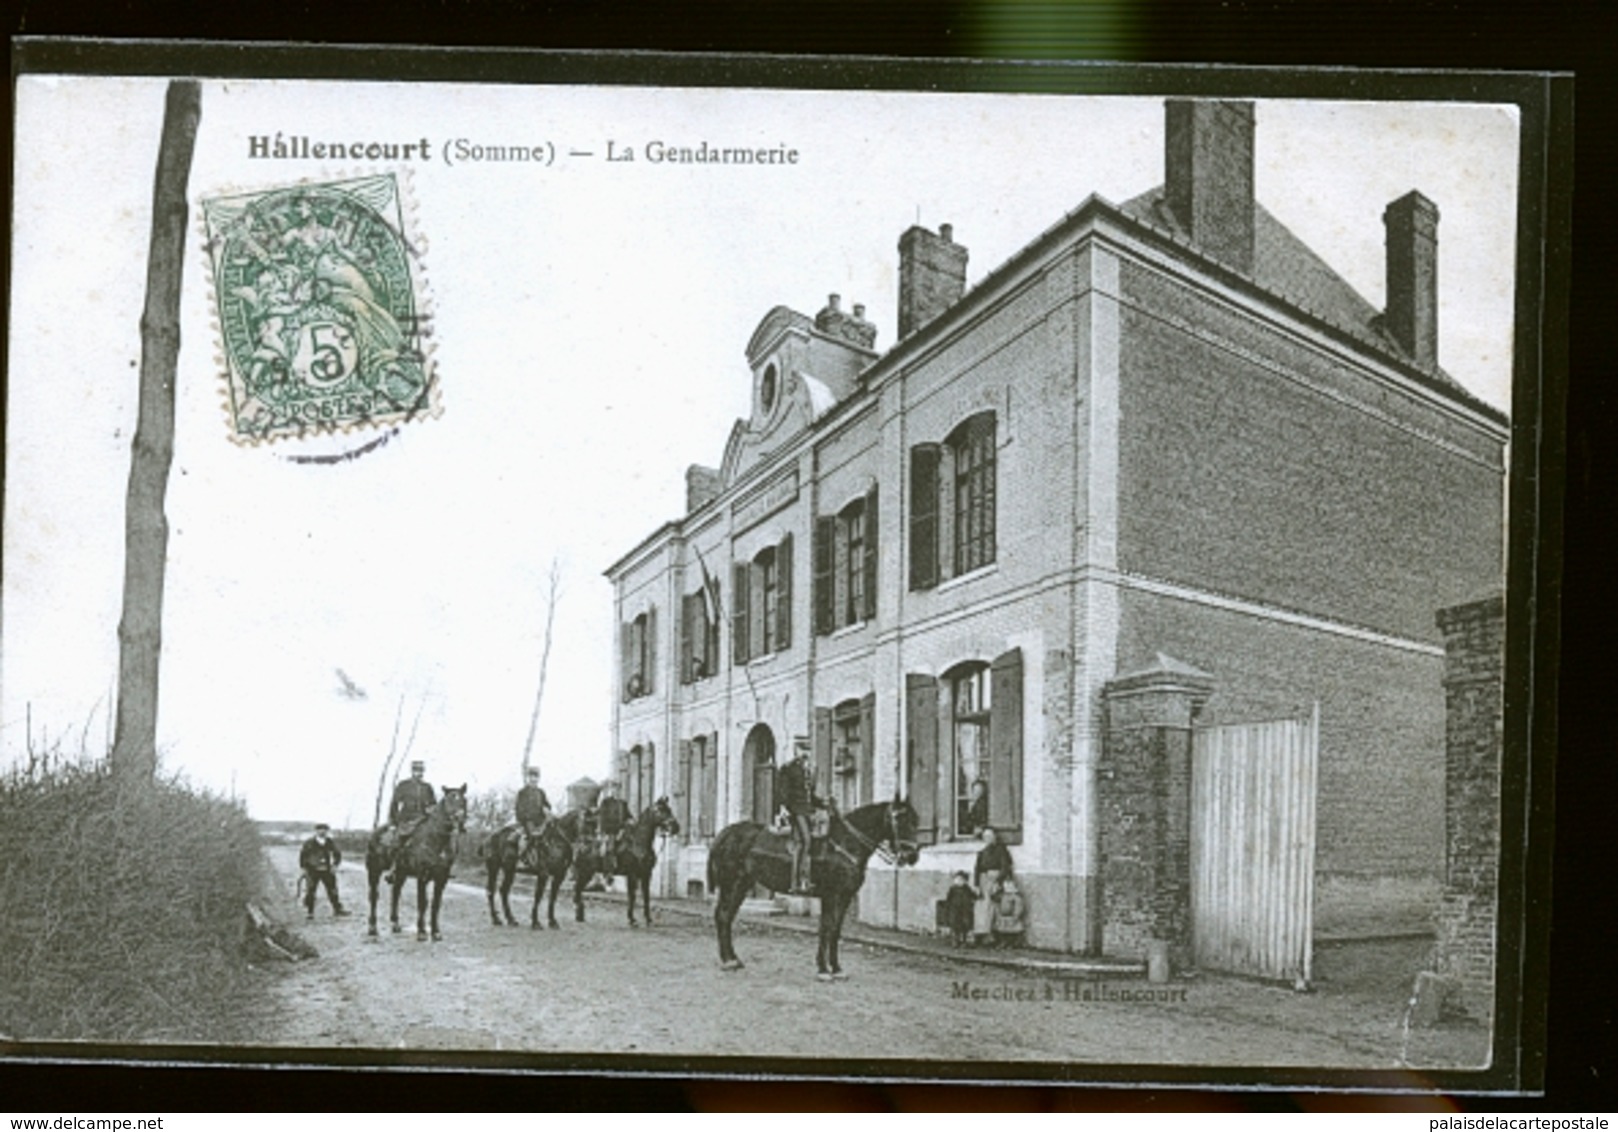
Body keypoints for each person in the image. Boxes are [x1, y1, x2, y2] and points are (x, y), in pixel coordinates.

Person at [776, 745, 817, 894]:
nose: (805, 753)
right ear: (796, 751)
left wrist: (822, 802)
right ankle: (797, 881)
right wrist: (784, 808)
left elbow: (810, 796)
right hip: (796, 810)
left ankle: (807, 879)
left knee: (810, 842)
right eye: (802, 749)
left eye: (808, 749)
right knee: (805, 841)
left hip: (807, 811)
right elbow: (783, 791)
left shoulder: (809, 770)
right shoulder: (789, 769)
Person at [974, 826, 1014, 945]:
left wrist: (998, 881)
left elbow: (1005, 867)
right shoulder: (982, 852)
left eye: (990, 836)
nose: (988, 838)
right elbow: (977, 869)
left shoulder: (1001, 851)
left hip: (996, 880)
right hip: (984, 881)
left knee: (995, 908)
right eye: (985, 836)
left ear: (995, 837)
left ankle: (996, 936)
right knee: (982, 908)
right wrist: (976, 885)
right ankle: (983, 934)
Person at [299, 823, 349, 919]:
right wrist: (304, 868)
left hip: (327, 870)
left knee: (332, 890)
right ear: (316, 831)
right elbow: (303, 856)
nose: (322, 831)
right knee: (311, 891)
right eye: (320, 829)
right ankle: (310, 912)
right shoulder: (309, 843)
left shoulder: (330, 842)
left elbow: (337, 854)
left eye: (324, 830)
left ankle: (337, 909)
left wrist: (335, 865)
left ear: (327, 831)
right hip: (312, 870)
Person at [514, 766, 551, 864]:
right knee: (532, 837)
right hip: (528, 821)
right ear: (528, 778)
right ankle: (525, 857)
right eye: (531, 776)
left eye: (536, 777)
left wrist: (547, 809)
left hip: (541, 821)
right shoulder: (523, 792)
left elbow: (547, 804)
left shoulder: (541, 792)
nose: (534, 779)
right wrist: (524, 818)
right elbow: (518, 808)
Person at [992, 876, 1027, 949]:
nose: (1007, 888)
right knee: (1002, 931)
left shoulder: (1016, 897)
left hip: (1012, 917)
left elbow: (1019, 906)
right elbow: (995, 899)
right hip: (1003, 916)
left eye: (1009, 885)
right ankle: (1003, 942)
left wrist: (1016, 915)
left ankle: (1011, 943)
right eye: (1006, 886)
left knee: (1012, 932)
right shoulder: (1002, 896)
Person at [944, 870, 977, 948]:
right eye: (957, 879)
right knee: (955, 926)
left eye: (962, 880)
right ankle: (955, 940)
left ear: (965, 881)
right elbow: (948, 899)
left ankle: (964, 941)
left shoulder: (967, 889)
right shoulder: (953, 889)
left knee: (965, 925)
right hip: (955, 910)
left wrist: (977, 896)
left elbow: (973, 896)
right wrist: (948, 907)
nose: (959, 881)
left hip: (965, 910)